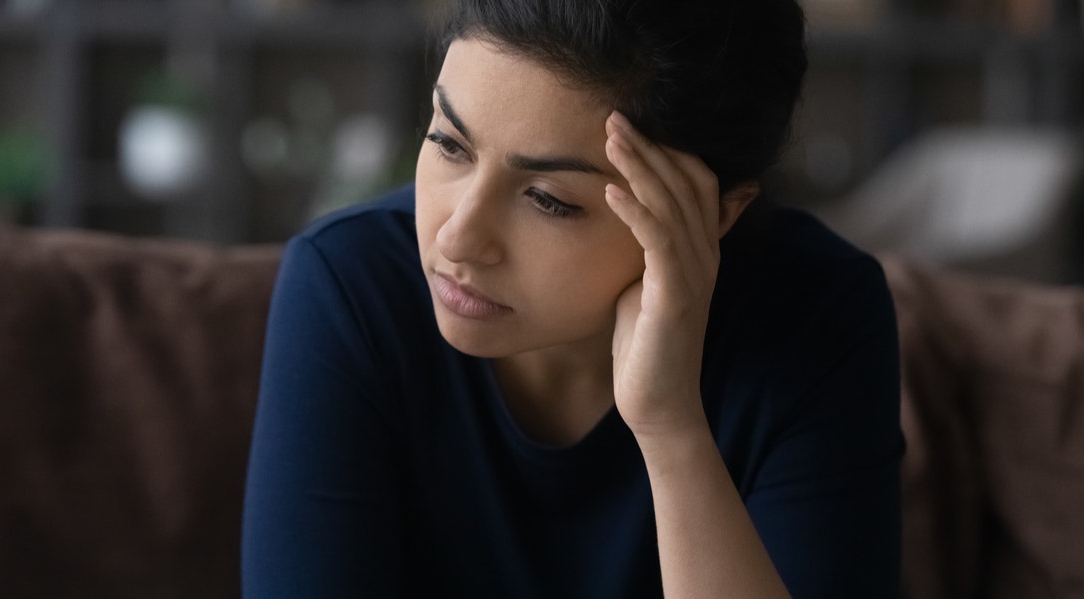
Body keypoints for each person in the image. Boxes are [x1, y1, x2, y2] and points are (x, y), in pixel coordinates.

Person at [241, 0, 904, 597]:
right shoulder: (349, 291)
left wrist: (670, 426)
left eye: (549, 199)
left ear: (716, 214)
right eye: (448, 142)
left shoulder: (819, 317)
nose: (457, 236)